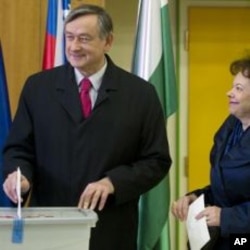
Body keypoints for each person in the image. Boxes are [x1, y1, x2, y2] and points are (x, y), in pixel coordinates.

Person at [2, 4, 172, 250]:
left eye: (84, 39)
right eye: (69, 37)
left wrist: (113, 182)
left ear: (108, 41)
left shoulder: (140, 94)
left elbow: (156, 160)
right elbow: (18, 148)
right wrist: (20, 176)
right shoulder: (38, 88)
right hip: (49, 226)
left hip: (110, 228)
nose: (73, 47)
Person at [172, 56, 250, 249]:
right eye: (233, 87)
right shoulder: (232, 125)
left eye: (238, 89)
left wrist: (226, 216)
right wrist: (197, 198)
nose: (229, 93)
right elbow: (227, 184)